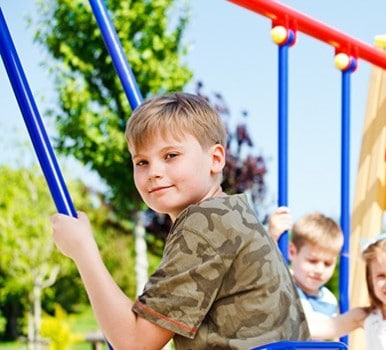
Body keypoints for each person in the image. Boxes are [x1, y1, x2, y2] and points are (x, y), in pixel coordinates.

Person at [50, 92, 310, 349]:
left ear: (216, 159)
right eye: (141, 161)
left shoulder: (204, 224)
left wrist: (83, 251)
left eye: (170, 156)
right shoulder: (236, 214)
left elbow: (134, 343)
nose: (153, 172)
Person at [268, 207, 367, 340]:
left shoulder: (329, 299)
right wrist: (272, 236)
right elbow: (265, 270)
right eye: (312, 261)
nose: (320, 270)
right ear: (291, 252)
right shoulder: (285, 284)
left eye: (327, 263)